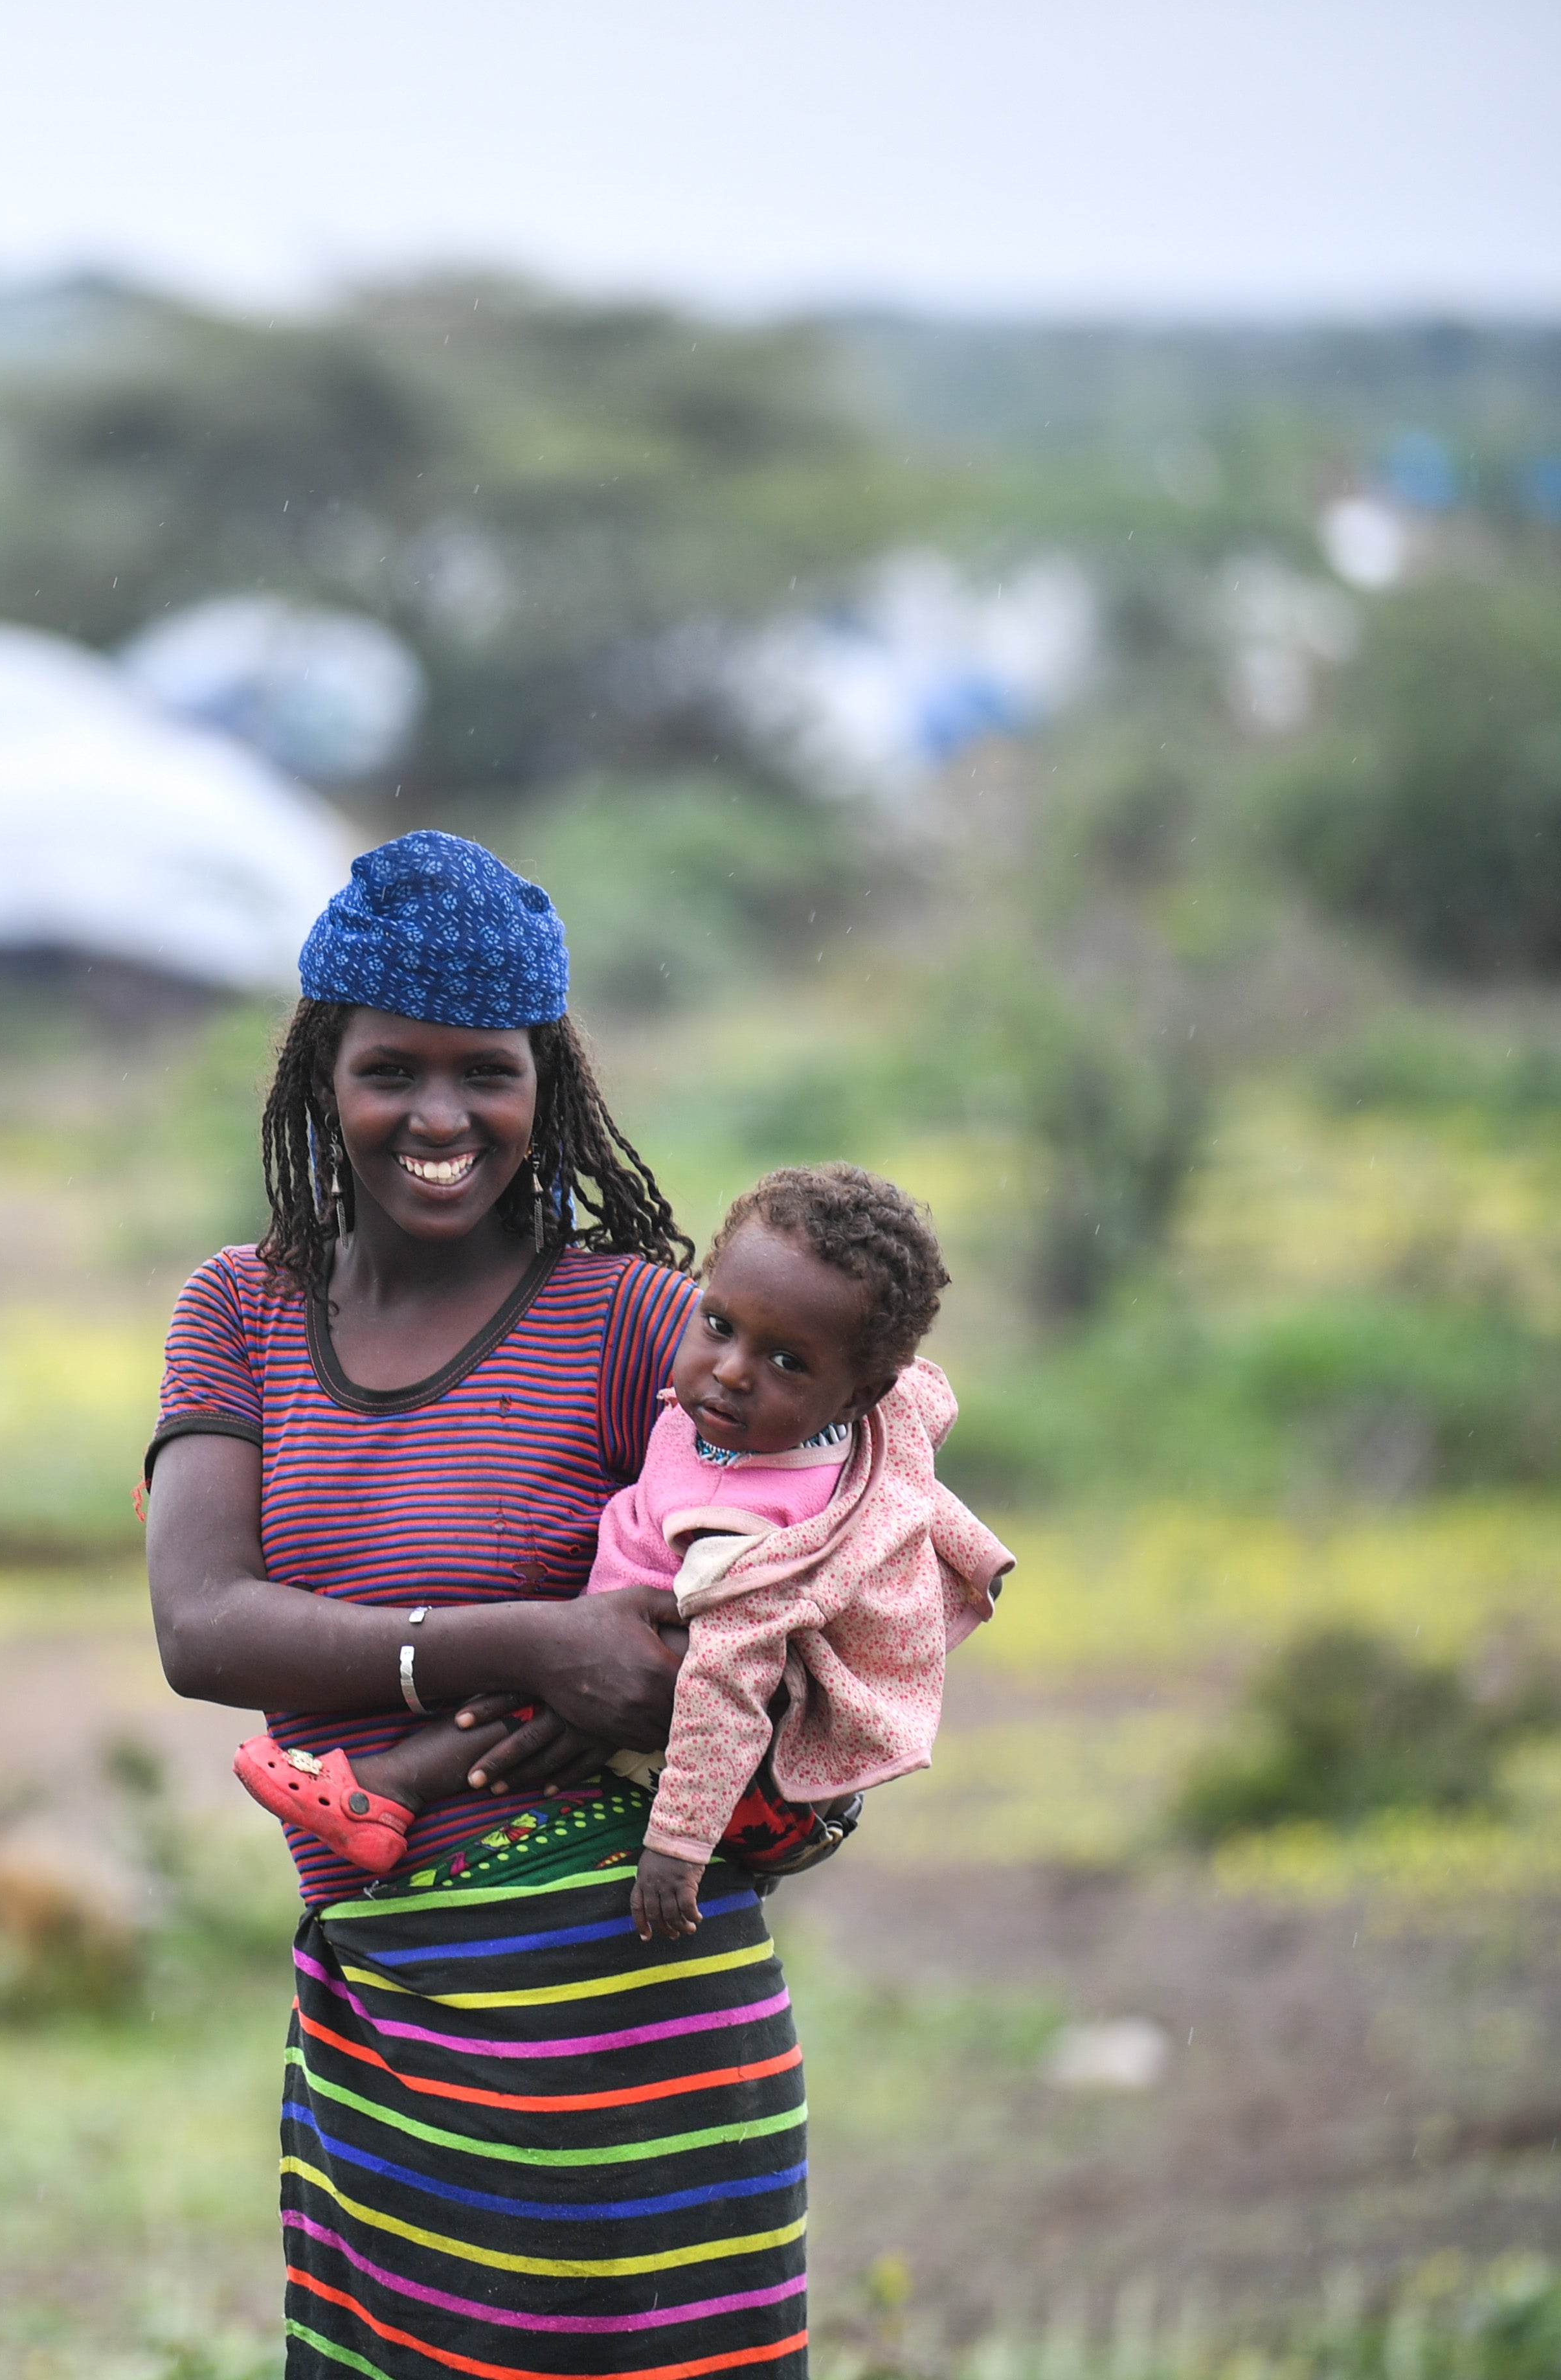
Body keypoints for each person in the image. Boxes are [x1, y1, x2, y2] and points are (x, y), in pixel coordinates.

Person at [144, 830, 807, 2379]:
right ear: (323, 1074)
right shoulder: (239, 1309)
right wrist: (531, 1647)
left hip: (648, 2026)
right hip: (394, 2021)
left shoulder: (638, 1319)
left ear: (546, 1086)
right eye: (391, 1071)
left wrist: (645, 1683)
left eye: (483, 1074)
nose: (438, 1117)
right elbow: (199, 1625)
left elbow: (779, 1591)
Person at [237, 1161, 1013, 1943]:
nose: (733, 1371)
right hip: (639, 1654)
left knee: (532, 1696)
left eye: (787, 1362)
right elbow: (913, 1395)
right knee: (554, 1664)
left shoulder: (752, 1535)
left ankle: (383, 1789)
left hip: (693, 1732)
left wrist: (676, 1850)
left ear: (857, 1394)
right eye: (719, 1324)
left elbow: (725, 1694)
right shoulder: (800, 1420)